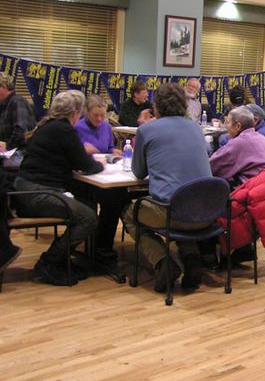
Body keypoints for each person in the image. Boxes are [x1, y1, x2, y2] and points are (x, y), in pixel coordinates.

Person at [122, 83, 213, 292]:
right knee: (182, 208)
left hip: (174, 213)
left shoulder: (147, 130)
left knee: (129, 213)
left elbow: (138, 172)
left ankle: (163, 262)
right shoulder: (197, 129)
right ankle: (192, 260)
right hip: (206, 211)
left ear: (156, 106)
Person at [13, 90, 106, 286]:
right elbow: (86, 165)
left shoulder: (47, 126)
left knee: (86, 202)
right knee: (88, 217)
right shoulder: (64, 130)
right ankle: (49, 262)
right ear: (74, 113)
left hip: (26, 189)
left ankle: (66, 258)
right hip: (38, 193)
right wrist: (101, 164)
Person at [74, 94, 127, 264]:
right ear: (86, 112)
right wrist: (83, 150)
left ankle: (103, 246)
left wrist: (115, 152)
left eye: (103, 115)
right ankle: (100, 247)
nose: (100, 118)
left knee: (115, 198)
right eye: (96, 115)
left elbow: (110, 148)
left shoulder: (105, 126)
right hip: (84, 177)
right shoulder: (77, 127)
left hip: (106, 173)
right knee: (111, 200)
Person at [210, 107, 265, 187]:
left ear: (238, 126)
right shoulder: (263, 138)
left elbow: (212, 166)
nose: (226, 126)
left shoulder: (238, 143)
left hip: (254, 191)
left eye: (227, 122)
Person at [0, 72, 35, 152]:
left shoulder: (18, 102)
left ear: (3, 87)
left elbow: (20, 131)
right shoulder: (3, 105)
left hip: (18, 154)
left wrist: (7, 147)